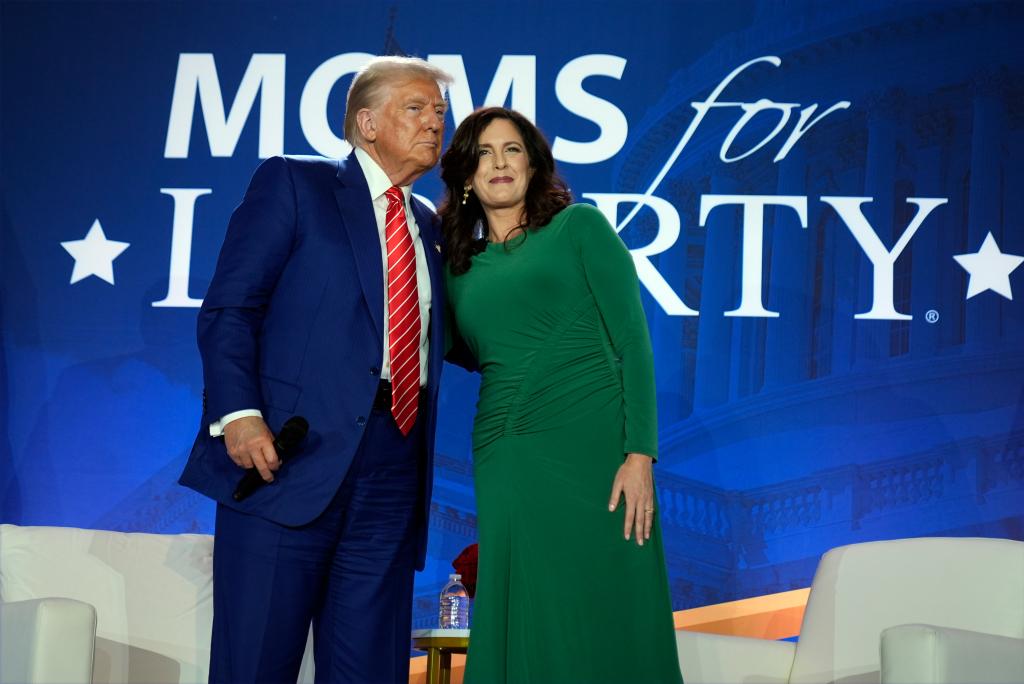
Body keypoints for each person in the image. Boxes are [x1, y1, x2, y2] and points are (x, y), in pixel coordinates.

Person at [179, 56, 453, 683]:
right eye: (415, 108)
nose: (434, 123)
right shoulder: (296, 185)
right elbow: (230, 307)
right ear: (367, 122)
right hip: (285, 459)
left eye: (439, 112)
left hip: (391, 471)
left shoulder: (430, 226)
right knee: (255, 667)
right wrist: (240, 415)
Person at [439, 106, 684, 683]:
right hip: (509, 453)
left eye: (513, 150)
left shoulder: (581, 228)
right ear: (466, 178)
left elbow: (633, 341)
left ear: (534, 164)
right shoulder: (455, 268)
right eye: (483, 154)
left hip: (597, 450)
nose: (499, 163)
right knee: (526, 602)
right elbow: (440, 349)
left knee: (611, 594)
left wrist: (640, 454)